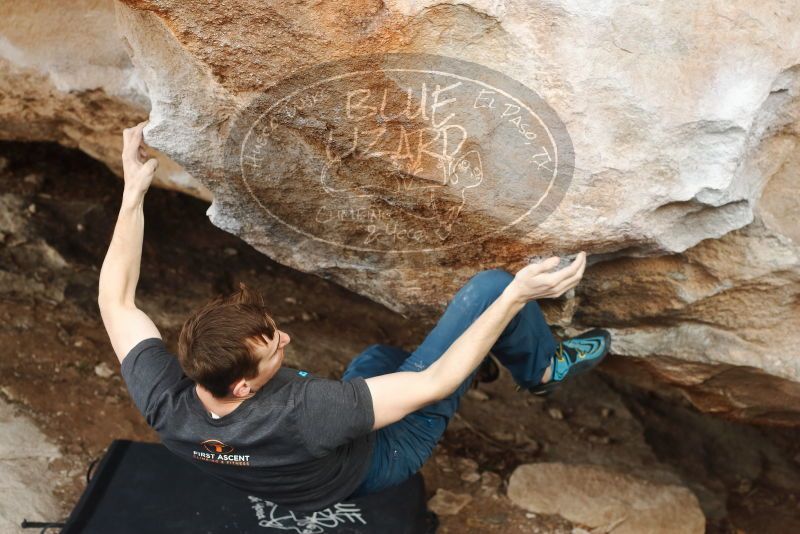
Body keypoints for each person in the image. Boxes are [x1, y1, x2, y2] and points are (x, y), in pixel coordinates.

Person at [98, 121, 611, 512]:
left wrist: (133, 190)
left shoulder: (169, 405)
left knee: (379, 358)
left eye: (273, 331)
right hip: (385, 457)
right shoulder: (310, 411)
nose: (287, 338)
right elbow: (434, 382)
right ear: (243, 389)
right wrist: (519, 293)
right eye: (275, 347)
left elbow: (116, 301)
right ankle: (542, 369)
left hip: (309, 478)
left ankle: (486, 353)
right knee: (490, 290)